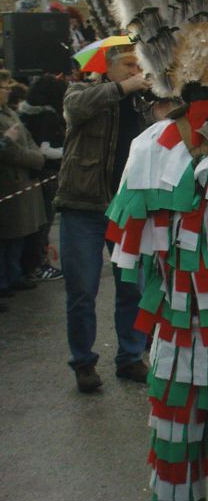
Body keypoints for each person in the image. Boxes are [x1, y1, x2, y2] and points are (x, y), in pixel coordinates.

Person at [54, 43, 151, 392]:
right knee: (82, 290)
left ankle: (130, 357)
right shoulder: (83, 90)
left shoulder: (143, 104)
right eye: (127, 65)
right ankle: (83, 362)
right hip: (83, 207)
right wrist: (122, 88)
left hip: (125, 209)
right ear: (109, 68)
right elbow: (74, 110)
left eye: (137, 65)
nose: (134, 70)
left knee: (132, 289)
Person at [0, 71, 49, 312]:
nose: (7, 90)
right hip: (9, 181)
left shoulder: (10, 113)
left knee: (18, 234)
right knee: (7, 234)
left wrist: (34, 155)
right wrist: (35, 158)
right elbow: (11, 151)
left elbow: (27, 140)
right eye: (3, 86)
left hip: (21, 180)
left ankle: (15, 274)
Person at [17, 74, 67, 282]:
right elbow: (45, 149)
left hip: (30, 174)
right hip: (47, 173)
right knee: (44, 223)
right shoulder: (48, 116)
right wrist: (68, 152)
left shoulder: (25, 113)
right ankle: (39, 265)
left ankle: (28, 265)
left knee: (35, 224)